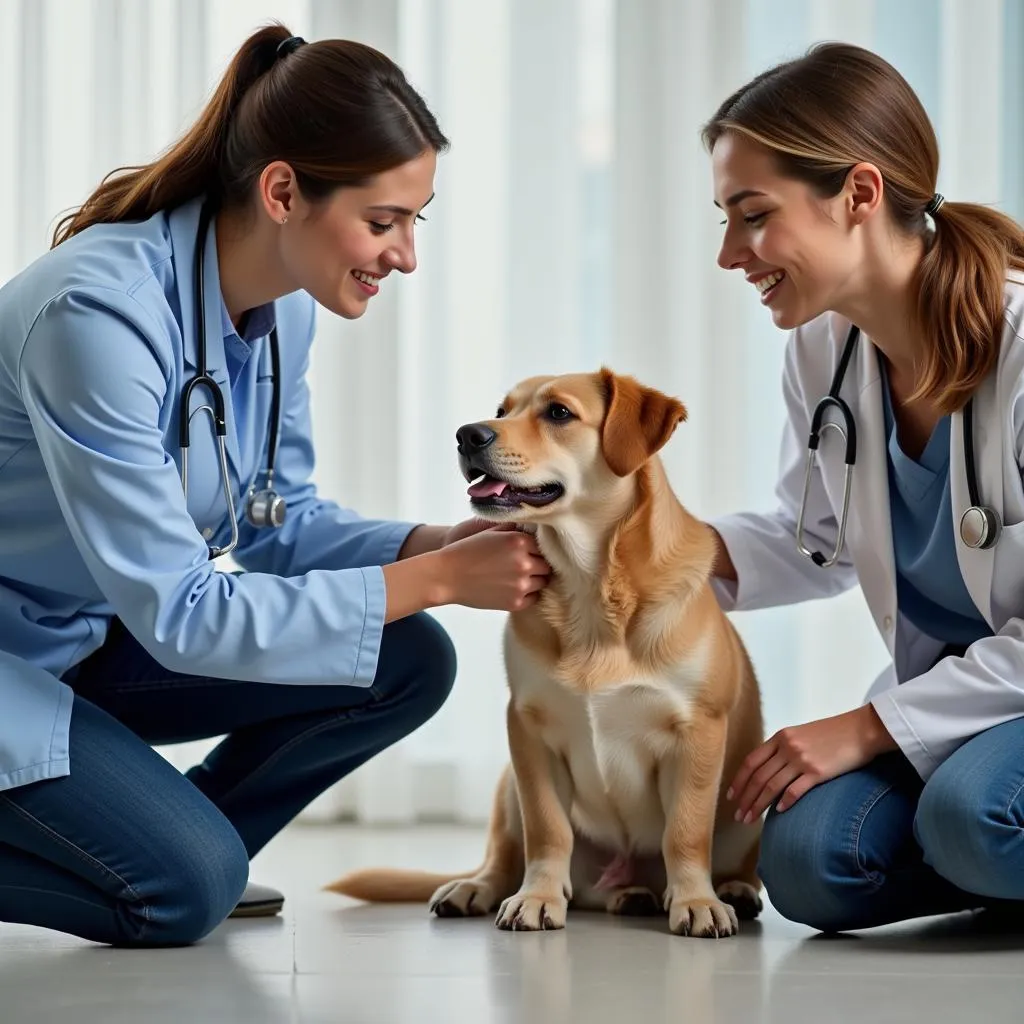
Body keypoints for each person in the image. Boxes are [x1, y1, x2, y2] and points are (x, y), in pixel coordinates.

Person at [0, 23, 551, 948]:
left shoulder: (281, 310)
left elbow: (275, 522)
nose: (406, 256)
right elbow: (181, 610)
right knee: (180, 893)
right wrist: (443, 583)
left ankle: (163, 842)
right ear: (284, 190)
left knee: (405, 658)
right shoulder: (94, 315)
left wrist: (430, 548)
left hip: (85, 632)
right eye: (384, 222)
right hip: (27, 653)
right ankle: (172, 864)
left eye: (416, 221)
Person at [703, 42, 1024, 932]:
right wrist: (652, 557)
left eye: (752, 214)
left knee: (975, 816)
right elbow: (816, 541)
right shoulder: (824, 349)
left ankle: (982, 839)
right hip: (963, 701)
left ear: (859, 193)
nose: (731, 252)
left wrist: (871, 727)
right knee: (810, 866)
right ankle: (989, 856)